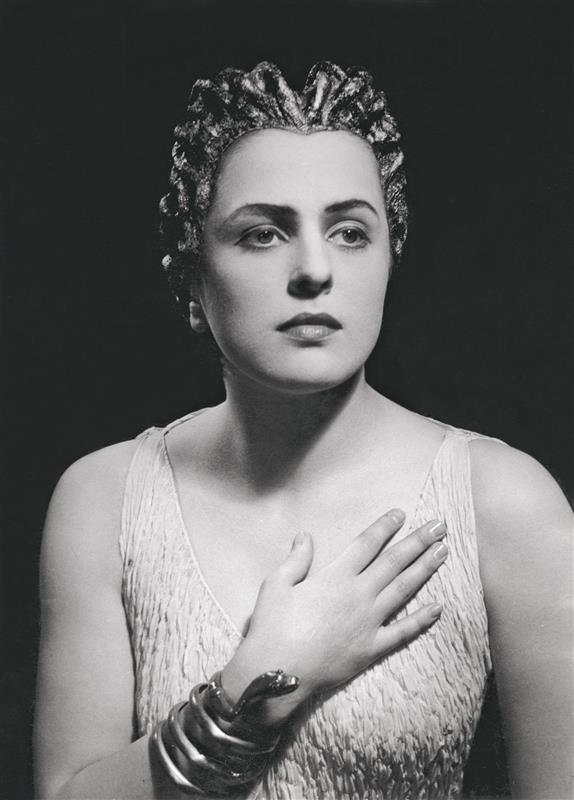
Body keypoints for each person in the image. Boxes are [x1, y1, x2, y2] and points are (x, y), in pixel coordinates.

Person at [34, 62, 573, 800]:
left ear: (390, 258)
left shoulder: (506, 503)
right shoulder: (104, 499)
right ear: (192, 278)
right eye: (263, 234)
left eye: (350, 232)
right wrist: (257, 688)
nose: (314, 270)